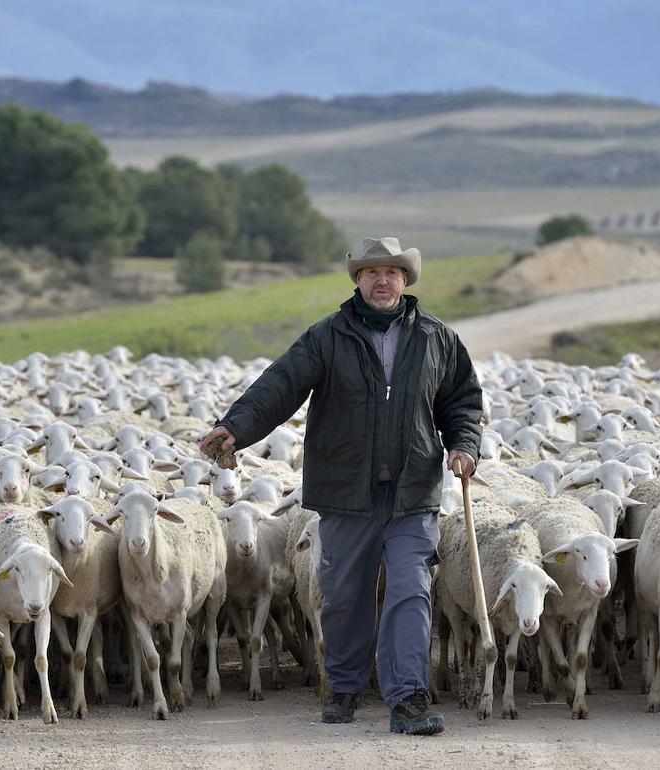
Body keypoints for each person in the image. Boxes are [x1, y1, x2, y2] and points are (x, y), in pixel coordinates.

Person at [199, 236, 482, 736]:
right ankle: (345, 688)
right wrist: (236, 427)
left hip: (412, 490)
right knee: (345, 595)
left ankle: (408, 698)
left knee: (411, 591)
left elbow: (461, 401)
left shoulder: (437, 338)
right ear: (357, 280)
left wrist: (464, 446)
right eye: (371, 272)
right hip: (346, 490)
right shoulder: (328, 336)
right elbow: (280, 385)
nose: (381, 281)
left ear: (405, 280)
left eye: (391, 272)